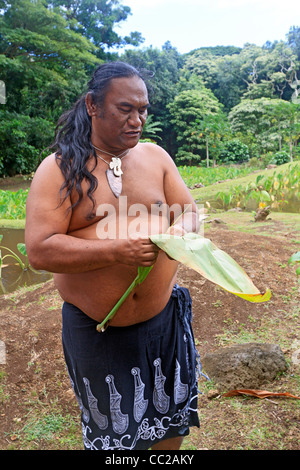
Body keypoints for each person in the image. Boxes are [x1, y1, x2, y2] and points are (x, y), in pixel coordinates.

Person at [25, 61, 201, 451]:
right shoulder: (59, 170)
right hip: (98, 330)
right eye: (125, 109)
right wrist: (114, 251)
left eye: (143, 110)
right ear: (93, 105)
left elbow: (190, 213)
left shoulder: (156, 158)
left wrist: (175, 233)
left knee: (171, 429)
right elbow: (39, 249)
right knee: (116, 440)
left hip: (163, 323)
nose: (137, 120)